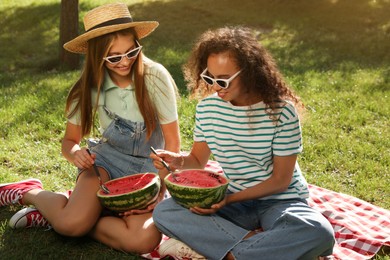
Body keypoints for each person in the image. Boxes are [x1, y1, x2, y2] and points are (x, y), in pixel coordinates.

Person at [0, 3, 180, 255]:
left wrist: (158, 192)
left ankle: (67, 212)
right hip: (105, 165)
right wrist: (75, 154)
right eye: (114, 57)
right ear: (97, 56)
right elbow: (69, 142)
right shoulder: (88, 88)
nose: (125, 61)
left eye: (132, 52)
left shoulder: (155, 77)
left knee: (142, 241)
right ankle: (30, 193)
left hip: (148, 171)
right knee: (69, 225)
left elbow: (172, 144)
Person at [150, 26, 335, 260]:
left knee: (319, 232)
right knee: (166, 211)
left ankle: (224, 251)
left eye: (224, 81)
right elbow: (197, 160)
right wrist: (177, 161)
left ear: (249, 73)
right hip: (231, 201)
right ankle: (260, 249)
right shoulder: (208, 109)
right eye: (209, 78)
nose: (215, 87)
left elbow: (280, 180)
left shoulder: (281, 113)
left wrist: (229, 199)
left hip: (279, 200)